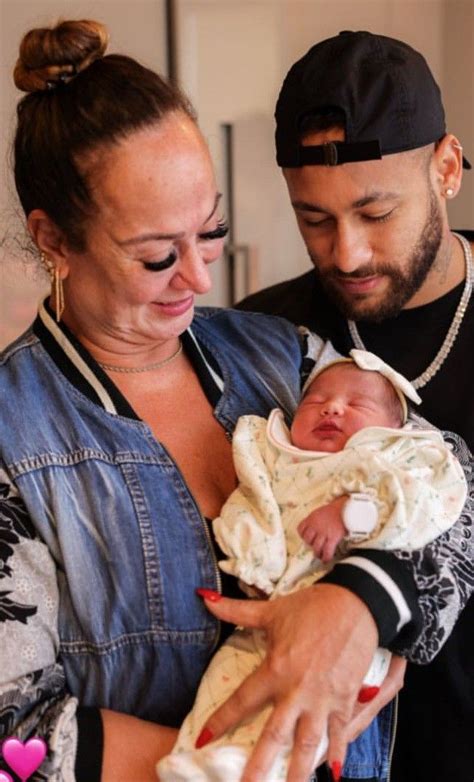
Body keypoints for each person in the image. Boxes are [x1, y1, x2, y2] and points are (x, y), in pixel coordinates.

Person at [0, 20, 471, 782]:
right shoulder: (11, 435)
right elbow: (8, 735)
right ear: (53, 239)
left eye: (211, 229)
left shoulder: (285, 354)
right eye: (158, 255)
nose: (200, 278)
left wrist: (359, 608)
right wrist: (248, 761)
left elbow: (448, 485)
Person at [236, 29, 474, 782]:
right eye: (315, 220)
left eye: (376, 214)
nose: (346, 254)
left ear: (446, 168)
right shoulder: (263, 339)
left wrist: (385, 604)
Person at [157, 349, 467, 782]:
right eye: (315, 400)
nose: (333, 406)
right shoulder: (280, 458)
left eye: (357, 405)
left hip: (351, 635)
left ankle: (262, 771)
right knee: (229, 679)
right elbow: (254, 505)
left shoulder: (389, 461)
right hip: (271, 612)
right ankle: (198, 755)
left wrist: (350, 512)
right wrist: (253, 556)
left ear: (396, 429)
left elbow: (427, 504)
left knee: (310, 708)